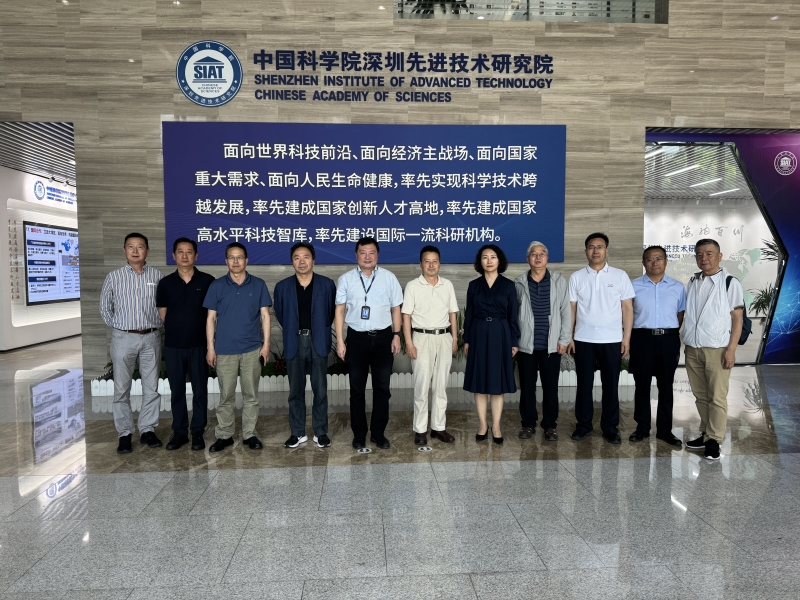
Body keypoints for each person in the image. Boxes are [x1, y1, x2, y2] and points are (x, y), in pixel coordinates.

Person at [335, 237, 403, 450]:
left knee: (382, 388)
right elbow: (340, 310)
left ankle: (378, 433)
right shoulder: (346, 279)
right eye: (363, 252)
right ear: (356, 255)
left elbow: (396, 308)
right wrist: (340, 340)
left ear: (377, 255)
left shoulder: (389, 278)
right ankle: (359, 434)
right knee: (357, 389)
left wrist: (397, 335)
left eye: (371, 252)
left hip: (383, 338)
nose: (367, 256)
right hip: (357, 338)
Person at [203, 242, 272, 452]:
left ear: (246, 260)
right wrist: (210, 348)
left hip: (252, 349)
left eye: (239, 257)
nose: (235, 261)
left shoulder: (258, 284)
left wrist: (266, 345)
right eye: (231, 257)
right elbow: (210, 318)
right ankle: (224, 435)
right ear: (226, 261)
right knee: (226, 396)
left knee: (251, 395)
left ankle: (250, 434)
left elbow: (265, 316)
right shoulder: (217, 286)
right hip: (224, 350)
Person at [567, 233, 635, 444]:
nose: (595, 251)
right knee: (584, 385)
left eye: (599, 247)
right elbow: (571, 309)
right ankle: (583, 425)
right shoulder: (577, 277)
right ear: (585, 251)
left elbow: (627, 308)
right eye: (591, 247)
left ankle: (610, 428)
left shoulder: (620, 275)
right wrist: (569, 336)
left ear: (606, 250)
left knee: (611, 386)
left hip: (612, 340)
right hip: (583, 339)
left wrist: (626, 337)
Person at [99, 232, 163, 454]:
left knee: (151, 387)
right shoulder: (113, 277)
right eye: (131, 246)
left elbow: (164, 306)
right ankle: (124, 433)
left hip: (151, 337)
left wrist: (157, 325)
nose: (135, 251)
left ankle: (147, 429)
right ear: (124, 250)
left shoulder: (157, 276)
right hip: (123, 338)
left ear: (147, 250)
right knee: (121, 389)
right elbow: (105, 308)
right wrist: (120, 327)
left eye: (140, 246)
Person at [681, 238, 744, 461]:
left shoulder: (729, 282)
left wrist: (731, 349)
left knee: (717, 397)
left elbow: (737, 318)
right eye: (699, 254)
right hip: (693, 348)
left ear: (719, 256)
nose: (704, 258)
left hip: (717, 348)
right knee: (701, 396)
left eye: (709, 253)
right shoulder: (693, 281)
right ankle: (706, 433)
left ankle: (714, 440)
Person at [273, 242, 336, 449]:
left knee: (320, 389)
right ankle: (297, 432)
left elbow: (330, 313)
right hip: (295, 341)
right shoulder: (282, 287)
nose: (302, 261)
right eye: (297, 258)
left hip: (318, 341)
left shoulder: (327, 285)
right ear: (292, 262)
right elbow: (281, 314)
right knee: (295, 391)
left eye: (306, 257)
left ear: (313, 260)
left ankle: (320, 432)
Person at [156, 237, 215, 451]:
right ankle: (180, 431)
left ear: (196, 256)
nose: (184, 255)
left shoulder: (207, 281)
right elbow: (164, 314)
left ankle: (197, 430)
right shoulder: (165, 283)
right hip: (174, 346)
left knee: (200, 389)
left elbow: (212, 315)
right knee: (177, 390)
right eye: (180, 251)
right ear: (174, 256)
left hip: (199, 345)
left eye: (189, 252)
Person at [628, 245, 686, 447]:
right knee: (642, 385)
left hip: (668, 340)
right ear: (644, 263)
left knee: (666, 385)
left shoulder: (678, 287)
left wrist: (668, 333)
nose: (655, 263)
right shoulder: (633, 286)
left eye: (659, 258)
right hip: (641, 339)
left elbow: (680, 315)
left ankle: (665, 430)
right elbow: (627, 314)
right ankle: (642, 427)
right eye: (650, 259)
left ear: (666, 261)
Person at [402, 245, 459, 445]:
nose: (431, 265)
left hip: (444, 337)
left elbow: (453, 313)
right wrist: (409, 342)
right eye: (427, 261)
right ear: (421, 264)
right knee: (422, 385)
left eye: (435, 261)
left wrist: (454, 338)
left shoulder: (447, 285)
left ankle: (438, 427)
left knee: (441, 386)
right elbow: (406, 316)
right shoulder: (412, 286)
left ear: (439, 264)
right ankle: (420, 429)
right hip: (421, 338)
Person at [463, 244, 520, 445]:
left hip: (500, 333)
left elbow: (513, 316)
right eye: (485, 257)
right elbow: (469, 315)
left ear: (499, 260)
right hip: (478, 332)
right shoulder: (473, 285)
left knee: (497, 383)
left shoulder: (508, 285)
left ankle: (496, 426)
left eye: (493, 257)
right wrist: (467, 339)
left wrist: (514, 340)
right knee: (480, 382)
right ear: (480, 261)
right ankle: (482, 425)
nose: (489, 261)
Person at [514, 241, 570, 442]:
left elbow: (566, 312)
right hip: (526, 345)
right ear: (527, 258)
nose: (538, 257)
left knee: (550, 387)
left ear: (547, 257)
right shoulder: (519, 283)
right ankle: (528, 424)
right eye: (534, 254)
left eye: (542, 254)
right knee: (527, 387)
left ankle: (550, 425)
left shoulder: (558, 281)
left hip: (551, 345)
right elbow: (513, 315)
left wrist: (564, 339)